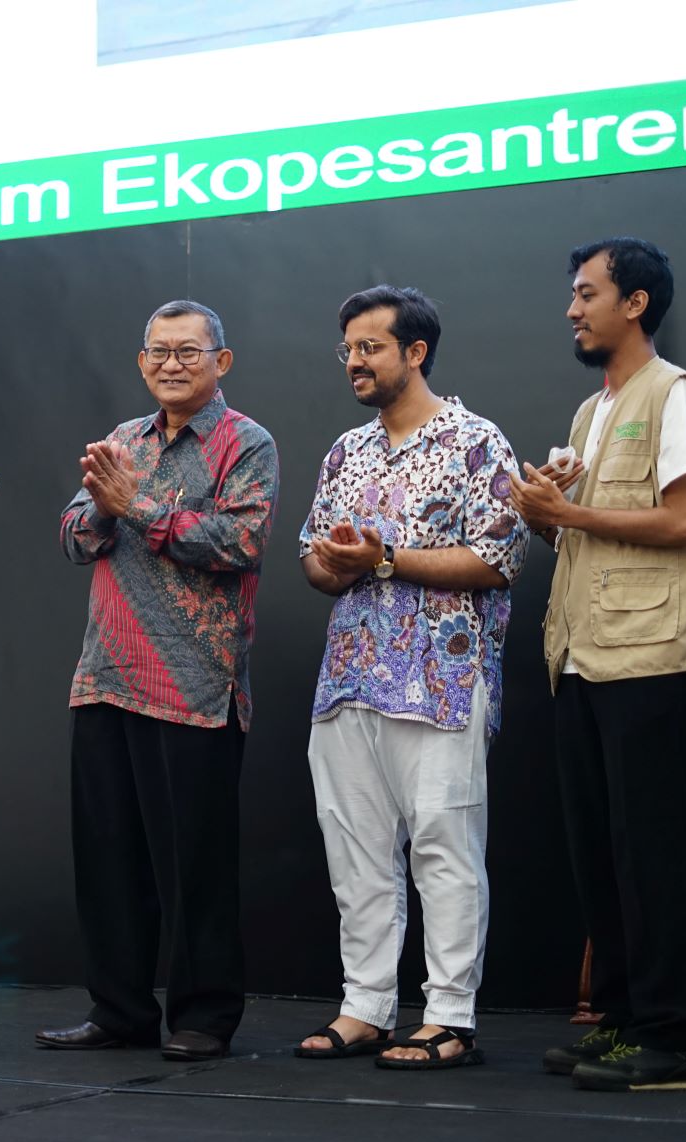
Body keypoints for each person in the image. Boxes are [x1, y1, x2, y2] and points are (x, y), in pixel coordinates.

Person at [510, 238, 686, 1092]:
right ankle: (622, 1021)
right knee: (598, 848)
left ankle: (671, 1039)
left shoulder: (673, 394)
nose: (572, 309)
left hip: (645, 651)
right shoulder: (588, 411)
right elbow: (579, 528)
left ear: (633, 304)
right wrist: (544, 515)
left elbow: (681, 524)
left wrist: (572, 509)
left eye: (586, 293)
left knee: (651, 850)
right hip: (581, 652)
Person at [36, 300, 279, 1061]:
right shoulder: (120, 441)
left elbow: (238, 542)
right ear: (141, 362)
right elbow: (75, 537)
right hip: (105, 676)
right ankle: (120, 1011)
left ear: (221, 362)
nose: (171, 364)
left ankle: (204, 1017)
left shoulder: (246, 442)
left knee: (194, 866)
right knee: (108, 859)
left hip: (195, 686)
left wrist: (132, 506)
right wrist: (106, 511)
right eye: (158, 352)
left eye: (188, 352)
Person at [296, 285, 527, 1070]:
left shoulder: (474, 442)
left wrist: (385, 559)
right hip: (349, 677)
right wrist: (330, 564)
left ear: (414, 352)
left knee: (442, 847)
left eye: (369, 347)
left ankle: (450, 1018)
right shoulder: (344, 450)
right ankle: (364, 1006)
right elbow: (311, 557)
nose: (354, 362)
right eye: (348, 349)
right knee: (353, 851)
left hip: (440, 679)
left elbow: (498, 560)